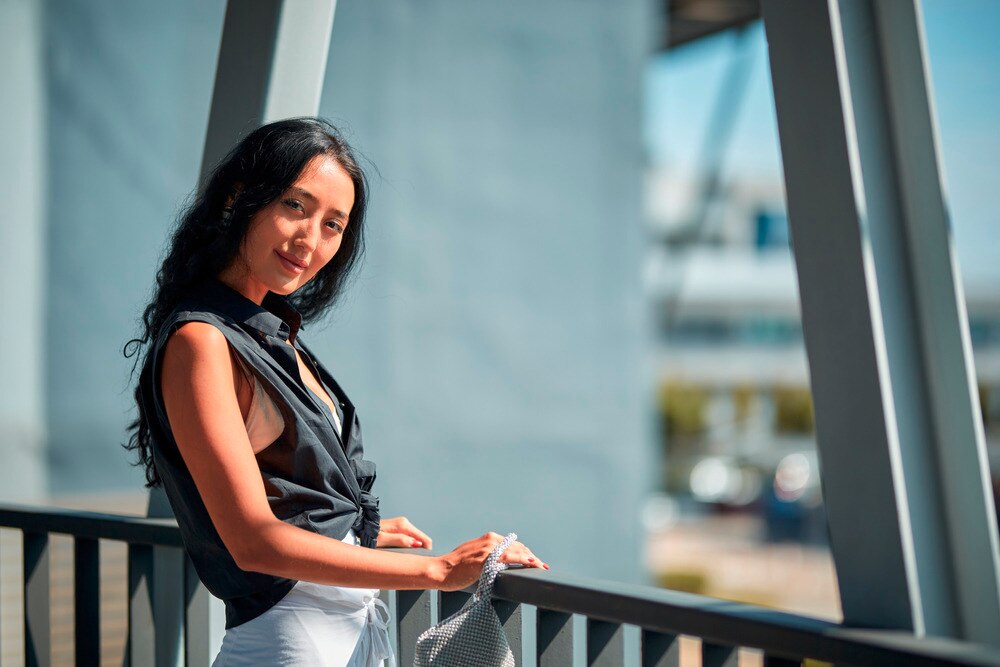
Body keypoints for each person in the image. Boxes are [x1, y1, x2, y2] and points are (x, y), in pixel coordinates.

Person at [123, 117, 548, 666]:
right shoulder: (201, 342)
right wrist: (438, 570)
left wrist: (349, 533)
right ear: (239, 198)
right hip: (287, 649)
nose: (310, 239)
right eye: (295, 206)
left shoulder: (271, 334)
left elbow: (281, 487)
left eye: (333, 224)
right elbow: (252, 539)